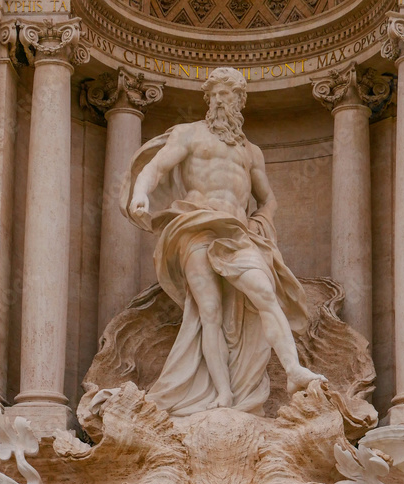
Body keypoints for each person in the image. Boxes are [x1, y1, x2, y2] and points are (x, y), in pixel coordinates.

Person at [121, 67, 325, 417]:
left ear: (239, 102)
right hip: (195, 226)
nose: (218, 100)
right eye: (214, 94)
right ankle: (223, 394)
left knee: (264, 292)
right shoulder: (189, 134)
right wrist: (140, 193)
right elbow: (155, 168)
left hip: (238, 231)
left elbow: (268, 199)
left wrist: (263, 222)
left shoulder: (251, 152)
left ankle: (292, 371)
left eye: (226, 94)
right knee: (209, 311)